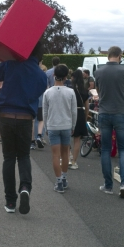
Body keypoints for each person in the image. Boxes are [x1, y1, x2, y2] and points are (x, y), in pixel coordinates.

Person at [0, 41, 46, 215]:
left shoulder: (9, 65)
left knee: (8, 158)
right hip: (25, 119)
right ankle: (25, 187)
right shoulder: (41, 76)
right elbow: (35, 95)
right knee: (24, 156)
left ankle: (10, 201)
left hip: (6, 116)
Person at [94, 46, 124, 198]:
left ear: (108, 55)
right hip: (121, 113)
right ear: (120, 56)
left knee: (105, 149)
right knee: (123, 149)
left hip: (104, 113)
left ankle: (108, 185)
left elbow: (98, 92)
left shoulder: (98, 72)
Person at [43, 64, 77, 193]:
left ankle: (58, 182)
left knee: (55, 155)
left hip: (53, 126)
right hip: (66, 125)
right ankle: (64, 178)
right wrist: (73, 125)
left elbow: (45, 112)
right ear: (66, 76)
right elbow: (74, 111)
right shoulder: (70, 92)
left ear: (53, 75)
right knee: (65, 154)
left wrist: (46, 126)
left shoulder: (48, 92)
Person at [69, 69, 90, 170]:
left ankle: (68, 156)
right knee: (77, 140)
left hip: (70, 113)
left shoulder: (70, 89)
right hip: (80, 113)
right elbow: (87, 107)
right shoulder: (85, 90)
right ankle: (74, 162)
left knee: (66, 136)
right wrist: (85, 118)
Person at [32, 64, 48, 149]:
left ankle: (32, 142)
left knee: (32, 121)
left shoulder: (30, 75)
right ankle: (39, 136)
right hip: (41, 101)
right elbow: (46, 89)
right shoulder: (43, 76)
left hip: (32, 100)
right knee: (41, 120)